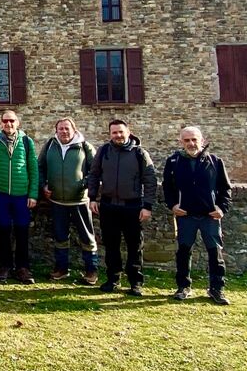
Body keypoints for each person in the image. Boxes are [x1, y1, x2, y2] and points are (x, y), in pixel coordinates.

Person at [162, 126, 232, 305]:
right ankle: (183, 287)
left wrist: (222, 209)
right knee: (184, 252)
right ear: (181, 142)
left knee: (215, 253)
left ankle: (217, 289)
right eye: (187, 140)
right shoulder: (173, 162)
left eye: (194, 140)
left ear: (202, 140)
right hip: (185, 215)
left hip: (210, 216)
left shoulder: (215, 161)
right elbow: (167, 187)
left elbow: (225, 189)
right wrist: (173, 205)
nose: (191, 143)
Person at [87, 119, 157, 296]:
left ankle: (135, 282)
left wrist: (147, 206)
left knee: (135, 246)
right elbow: (94, 175)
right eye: (114, 133)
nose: (118, 135)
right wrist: (93, 198)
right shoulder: (103, 152)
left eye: (121, 132)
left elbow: (150, 181)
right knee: (111, 246)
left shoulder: (140, 153)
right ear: (110, 134)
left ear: (128, 132)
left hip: (133, 207)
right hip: (109, 206)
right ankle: (113, 279)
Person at [38, 117, 98, 284]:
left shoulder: (84, 146)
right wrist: (43, 186)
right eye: (60, 129)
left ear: (74, 130)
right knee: (60, 237)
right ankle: (61, 269)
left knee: (87, 237)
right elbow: (40, 167)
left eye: (67, 128)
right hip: (57, 202)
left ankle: (91, 271)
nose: (64, 132)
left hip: (80, 202)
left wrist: (84, 185)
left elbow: (95, 171)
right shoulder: (50, 145)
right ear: (56, 131)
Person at [0, 110, 39, 284]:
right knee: (3, 231)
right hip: (1, 194)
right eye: (5, 121)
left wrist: (33, 194)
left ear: (18, 122)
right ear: (1, 123)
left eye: (12, 121)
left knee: (22, 231)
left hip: (21, 195)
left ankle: (23, 268)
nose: (9, 124)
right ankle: (5, 266)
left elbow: (33, 169)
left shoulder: (26, 141)